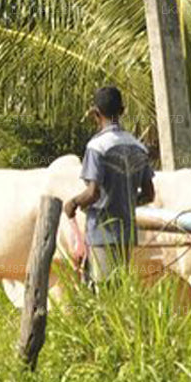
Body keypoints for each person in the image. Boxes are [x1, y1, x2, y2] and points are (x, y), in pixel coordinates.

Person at [63, 86, 155, 287]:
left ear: (96, 114)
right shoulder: (138, 148)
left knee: (102, 290)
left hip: (101, 232)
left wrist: (73, 203)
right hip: (128, 234)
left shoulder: (97, 147)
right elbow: (149, 194)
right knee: (120, 288)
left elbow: (93, 193)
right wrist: (126, 202)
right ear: (122, 111)